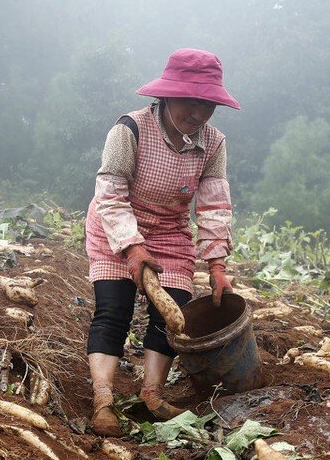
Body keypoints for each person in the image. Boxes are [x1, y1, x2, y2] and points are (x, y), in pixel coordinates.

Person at [84, 48, 239, 437]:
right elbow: (111, 192)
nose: (199, 113)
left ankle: (152, 394)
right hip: (116, 226)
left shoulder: (214, 144)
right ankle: (103, 399)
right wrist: (132, 247)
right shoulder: (129, 129)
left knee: (173, 315)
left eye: (208, 104)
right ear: (168, 94)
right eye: (191, 101)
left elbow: (214, 206)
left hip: (170, 232)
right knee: (113, 309)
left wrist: (217, 266)